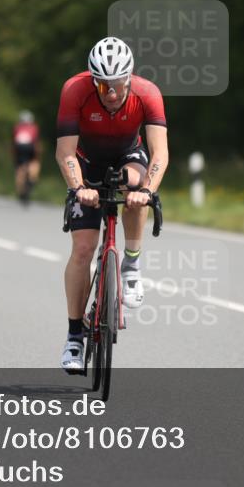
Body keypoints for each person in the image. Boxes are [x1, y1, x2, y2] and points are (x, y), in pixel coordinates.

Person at [55, 37, 170, 373]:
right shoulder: (74, 91)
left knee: (135, 186)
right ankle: (74, 336)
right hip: (85, 162)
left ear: (129, 78)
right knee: (82, 250)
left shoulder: (147, 94)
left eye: (117, 85)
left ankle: (131, 265)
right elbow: (64, 152)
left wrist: (147, 191)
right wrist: (78, 188)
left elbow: (159, 153)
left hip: (127, 157)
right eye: (103, 86)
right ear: (93, 80)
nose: (111, 93)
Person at [12, 110, 42, 205]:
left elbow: (13, 143)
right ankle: (31, 180)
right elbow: (36, 143)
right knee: (34, 164)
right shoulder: (34, 128)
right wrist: (37, 157)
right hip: (30, 148)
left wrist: (14, 157)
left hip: (19, 149)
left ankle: (21, 190)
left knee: (20, 169)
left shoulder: (16, 127)